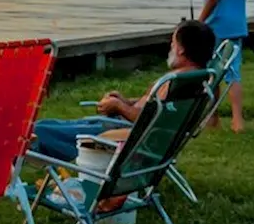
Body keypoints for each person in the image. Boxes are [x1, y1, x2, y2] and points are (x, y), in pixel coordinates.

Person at [30, 19, 217, 162]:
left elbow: (151, 121)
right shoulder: (195, 78)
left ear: (182, 50)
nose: (171, 46)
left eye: (173, 43)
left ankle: (17, 159)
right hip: (123, 125)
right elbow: (155, 109)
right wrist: (126, 101)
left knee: (38, 131)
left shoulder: (178, 82)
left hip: (123, 134)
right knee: (45, 125)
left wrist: (119, 107)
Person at [198, 0, 249, 132]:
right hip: (237, 24)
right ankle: (238, 120)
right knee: (232, 73)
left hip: (216, 26)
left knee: (212, 73)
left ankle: (212, 118)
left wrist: (199, 22)